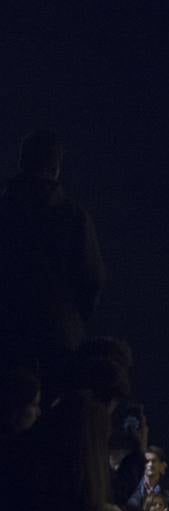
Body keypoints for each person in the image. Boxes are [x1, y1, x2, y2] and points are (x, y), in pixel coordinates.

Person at [0, 130, 105, 382]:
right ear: (56, 167)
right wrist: (67, 317)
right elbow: (92, 280)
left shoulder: (5, 212)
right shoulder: (74, 217)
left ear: (22, 162)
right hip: (58, 341)